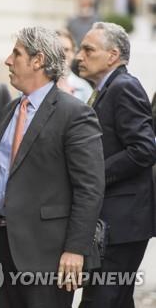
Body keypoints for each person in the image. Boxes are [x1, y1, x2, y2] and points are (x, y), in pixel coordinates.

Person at [0, 26, 105, 308]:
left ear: (38, 61)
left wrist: (75, 249)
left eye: (17, 54)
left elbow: (90, 189)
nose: (8, 61)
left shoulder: (74, 114)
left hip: (47, 255)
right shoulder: (13, 108)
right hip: (1, 247)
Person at [76, 22, 156, 308]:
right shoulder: (106, 86)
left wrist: (96, 176)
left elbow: (145, 149)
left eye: (88, 50)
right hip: (115, 222)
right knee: (116, 300)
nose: (79, 56)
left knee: (101, 299)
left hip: (124, 223)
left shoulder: (124, 87)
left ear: (112, 55)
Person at [56, 29, 93, 102]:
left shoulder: (84, 88)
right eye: (57, 49)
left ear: (74, 54)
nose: (62, 54)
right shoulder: (39, 85)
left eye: (66, 50)